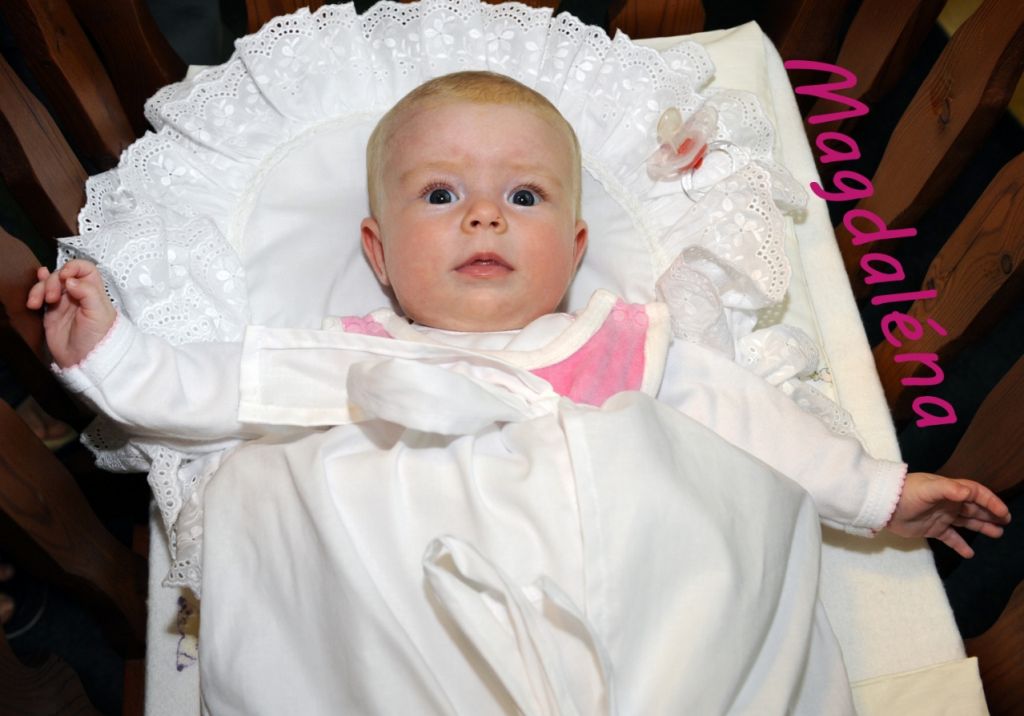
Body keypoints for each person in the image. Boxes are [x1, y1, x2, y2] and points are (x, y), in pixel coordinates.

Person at [26, 71, 1010, 713]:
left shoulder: (618, 337)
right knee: (284, 503)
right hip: (415, 615)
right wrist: (105, 349)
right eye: (440, 194)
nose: (485, 215)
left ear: (575, 249)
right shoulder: (357, 353)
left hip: (629, 619)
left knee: (714, 520)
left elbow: (749, 424)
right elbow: (216, 385)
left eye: (524, 196)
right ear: (377, 252)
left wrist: (876, 491)